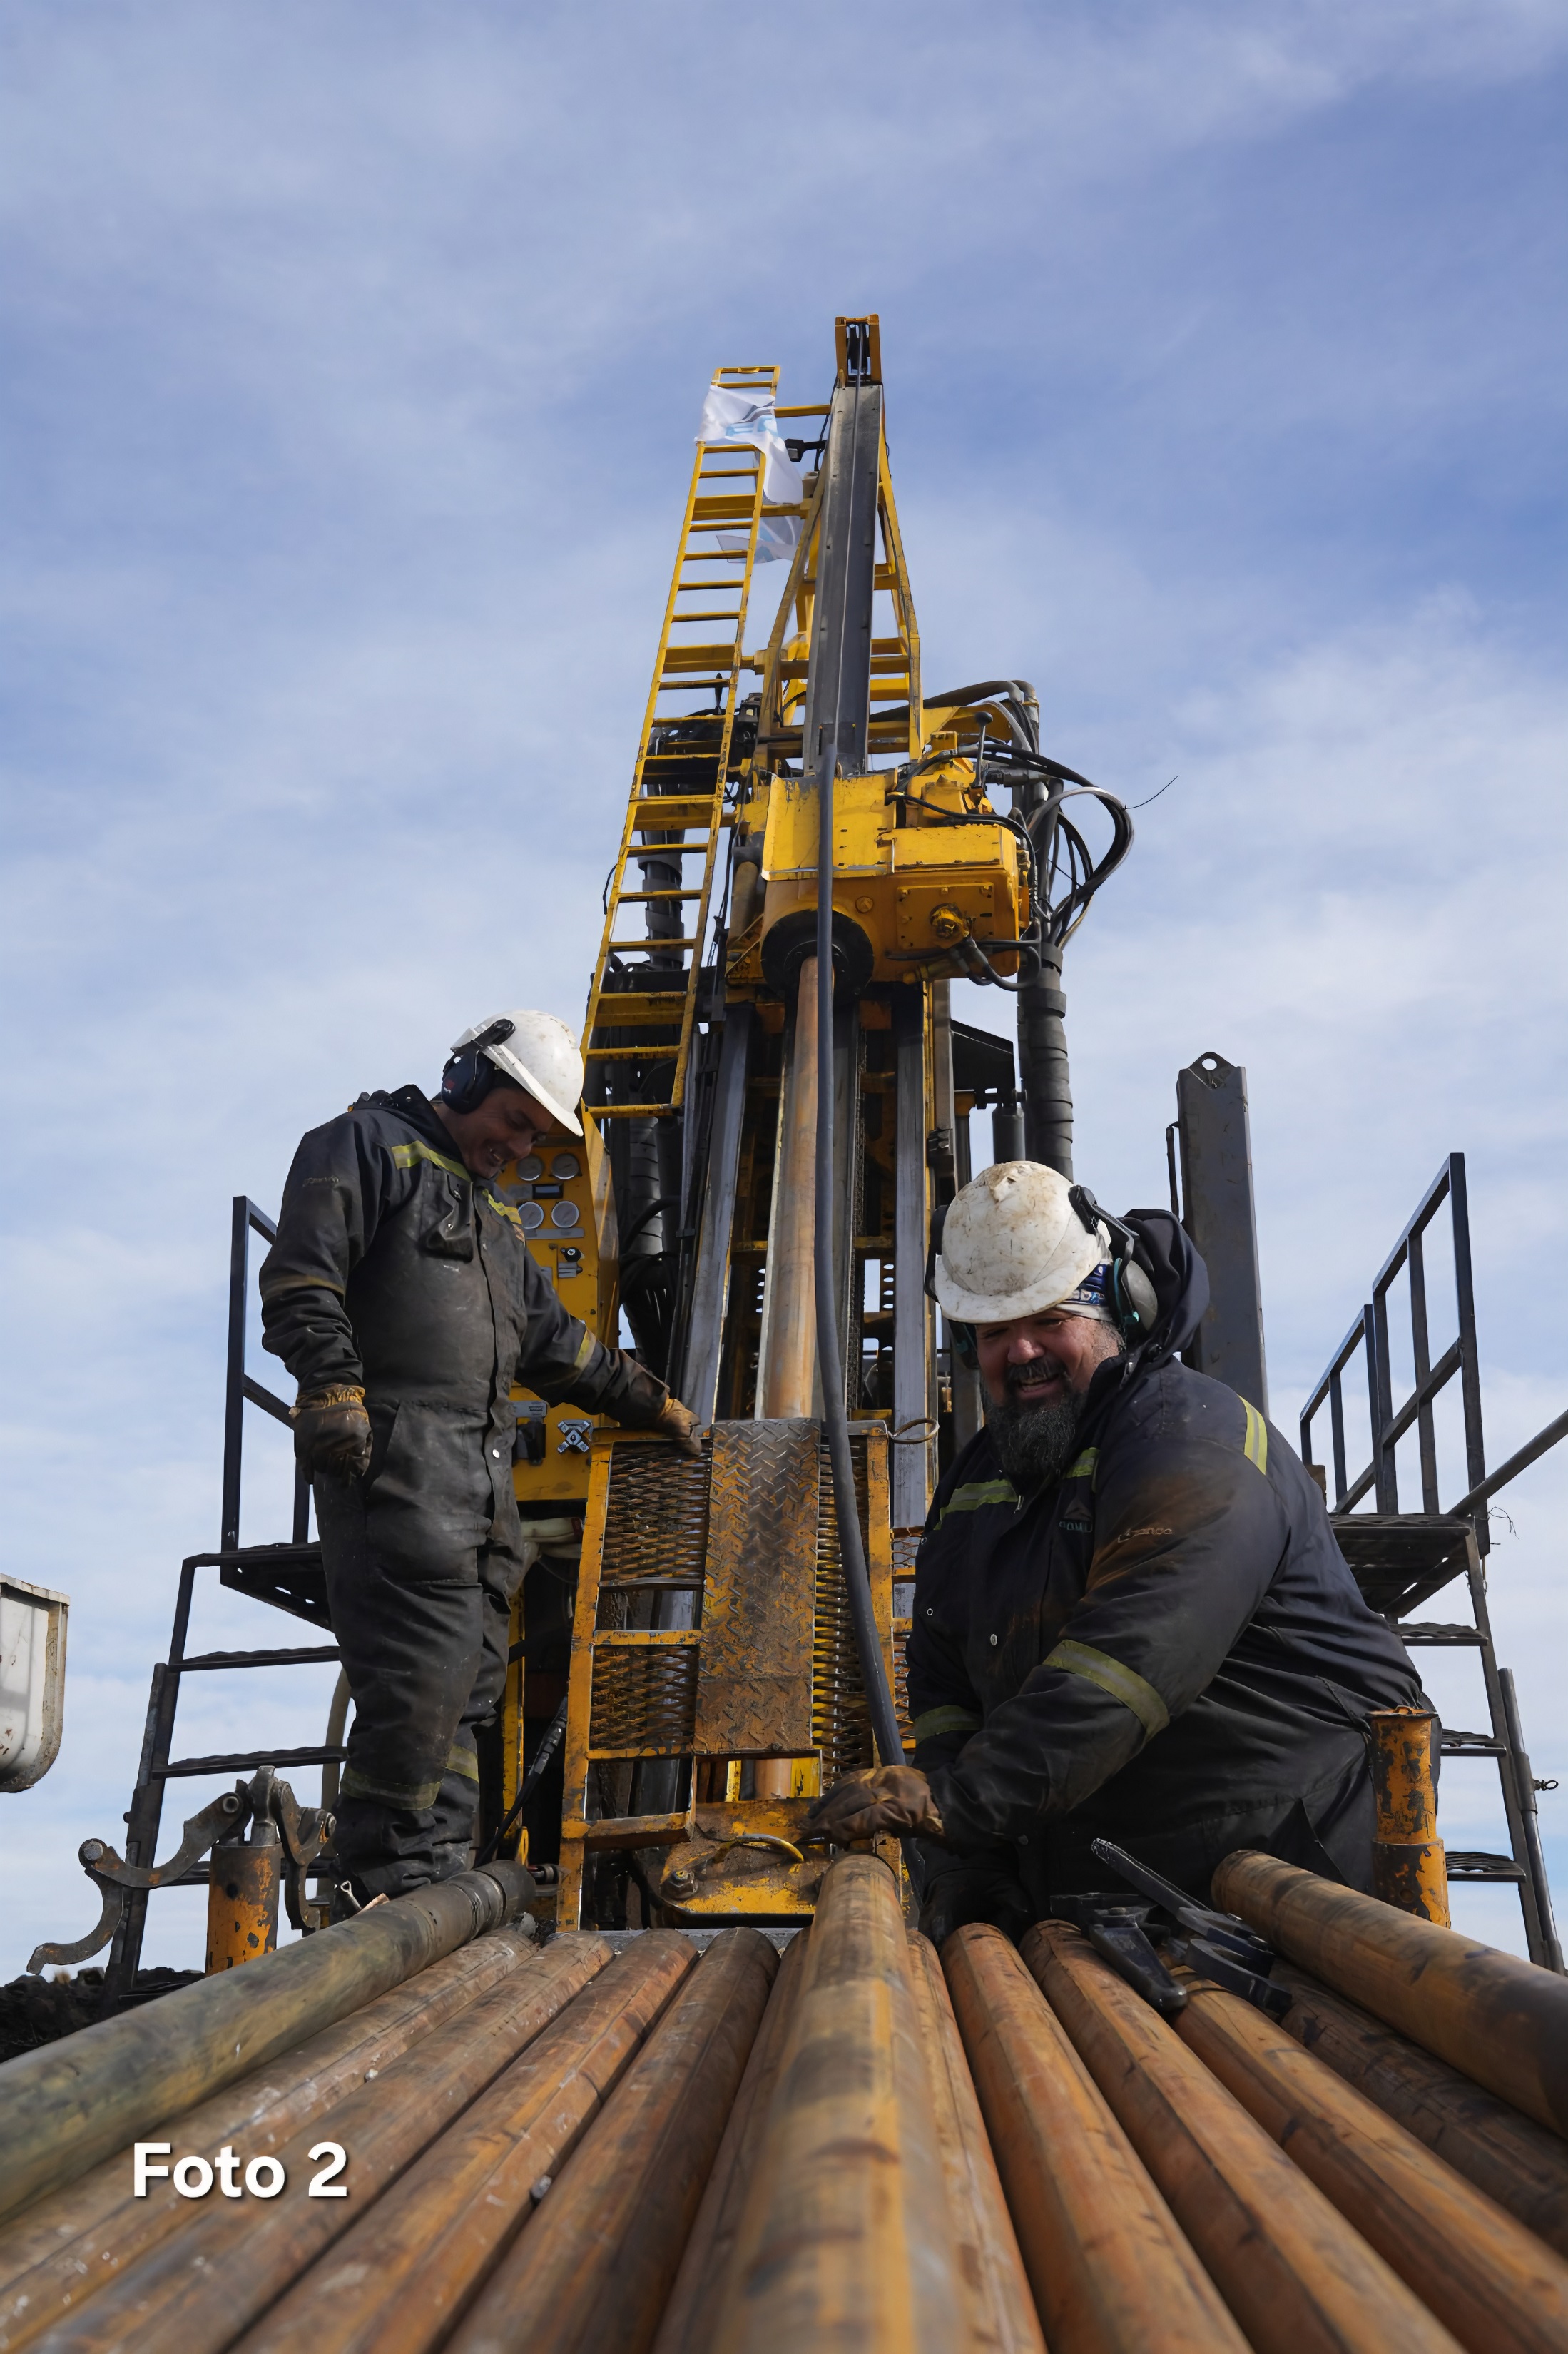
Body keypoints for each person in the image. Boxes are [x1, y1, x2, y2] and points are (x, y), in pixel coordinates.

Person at [808, 1159, 1425, 1942]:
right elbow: (944, 1678)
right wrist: (969, 1859)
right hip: (1117, 1891)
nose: (1021, 1350)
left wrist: (954, 1804)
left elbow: (1125, 1665)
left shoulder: (1190, 1440)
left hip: (1293, 1874)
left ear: (1121, 1308)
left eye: (1047, 1316)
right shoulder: (979, 1479)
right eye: (994, 1331)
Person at [260, 1009, 701, 1906]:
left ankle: (434, 1875)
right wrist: (334, 1388)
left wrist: (652, 1403)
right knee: (420, 1680)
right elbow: (303, 1278)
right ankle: (379, 1883)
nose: (519, 1146)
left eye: (537, 1136)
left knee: (468, 1686)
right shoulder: (362, 1146)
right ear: (464, 1080)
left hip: (478, 1497)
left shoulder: (496, 1223)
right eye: (513, 1120)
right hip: (398, 1472)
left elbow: (560, 1347)